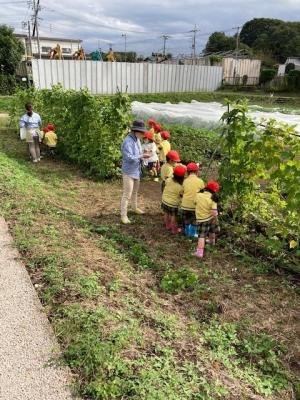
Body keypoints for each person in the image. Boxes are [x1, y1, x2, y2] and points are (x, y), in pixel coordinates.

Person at [120, 120, 149, 224]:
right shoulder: (127, 141)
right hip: (128, 171)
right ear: (135, 131)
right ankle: (123, 216)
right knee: (127, 194)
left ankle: (135, 207)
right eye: (142, 132)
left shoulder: (137, 139)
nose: (143, 134)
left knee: (135, 191)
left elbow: (138, 153)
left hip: (136, 170)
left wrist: (143, 152)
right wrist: (141, 156)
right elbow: (129, 158)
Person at [194, 180, 220, 258]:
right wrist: (216, 220)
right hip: (211, 218)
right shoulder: (213, 198)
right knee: (212, 231)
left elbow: (194, 202)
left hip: (202, 219)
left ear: (206, 187)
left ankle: (199, 253)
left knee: (201, 236)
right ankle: (212, 243)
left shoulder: (198, 195)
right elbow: (214, 212)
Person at [161, 165, 187, 234]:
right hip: (173, 204)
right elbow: (182, 195)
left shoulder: (168, 180)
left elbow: (166, 183)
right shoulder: (180, 187)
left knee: (166, 213)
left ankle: (167, 226)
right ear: (182, 177)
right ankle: (174, 229)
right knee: (173, 216)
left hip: (164, 201)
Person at [180, 162, 205, 231]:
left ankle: (187, 232)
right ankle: (193, 233)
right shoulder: (200, 181)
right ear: (197, 171)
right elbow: (203, 193)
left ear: (187, 172)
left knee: (187, 219)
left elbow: (181, 193)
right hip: (195, 205)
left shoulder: (185, 181)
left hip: (185, 205)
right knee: (194, 219)